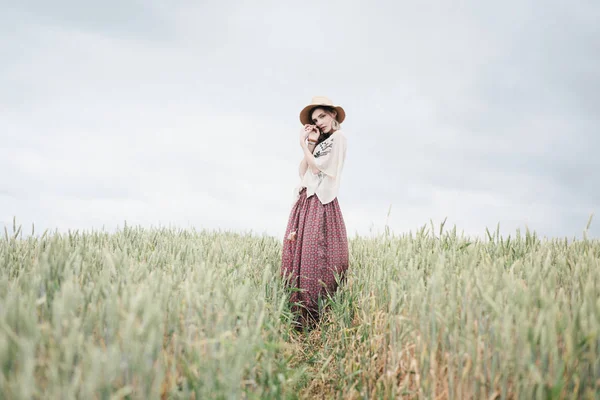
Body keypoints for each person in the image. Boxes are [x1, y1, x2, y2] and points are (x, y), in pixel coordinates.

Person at [280, 96, 349, 331]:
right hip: (307, 197)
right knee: (301, 252)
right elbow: (303, 170)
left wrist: (304, 146)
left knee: (319, 253)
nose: (318, 122)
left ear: (333, 115)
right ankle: (299, 314)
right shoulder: (321, 143)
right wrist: (309, 143)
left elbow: (320, 168)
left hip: (321, 199)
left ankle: (319, 313)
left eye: (322, 116)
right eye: (314, 119)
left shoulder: (339, 138)